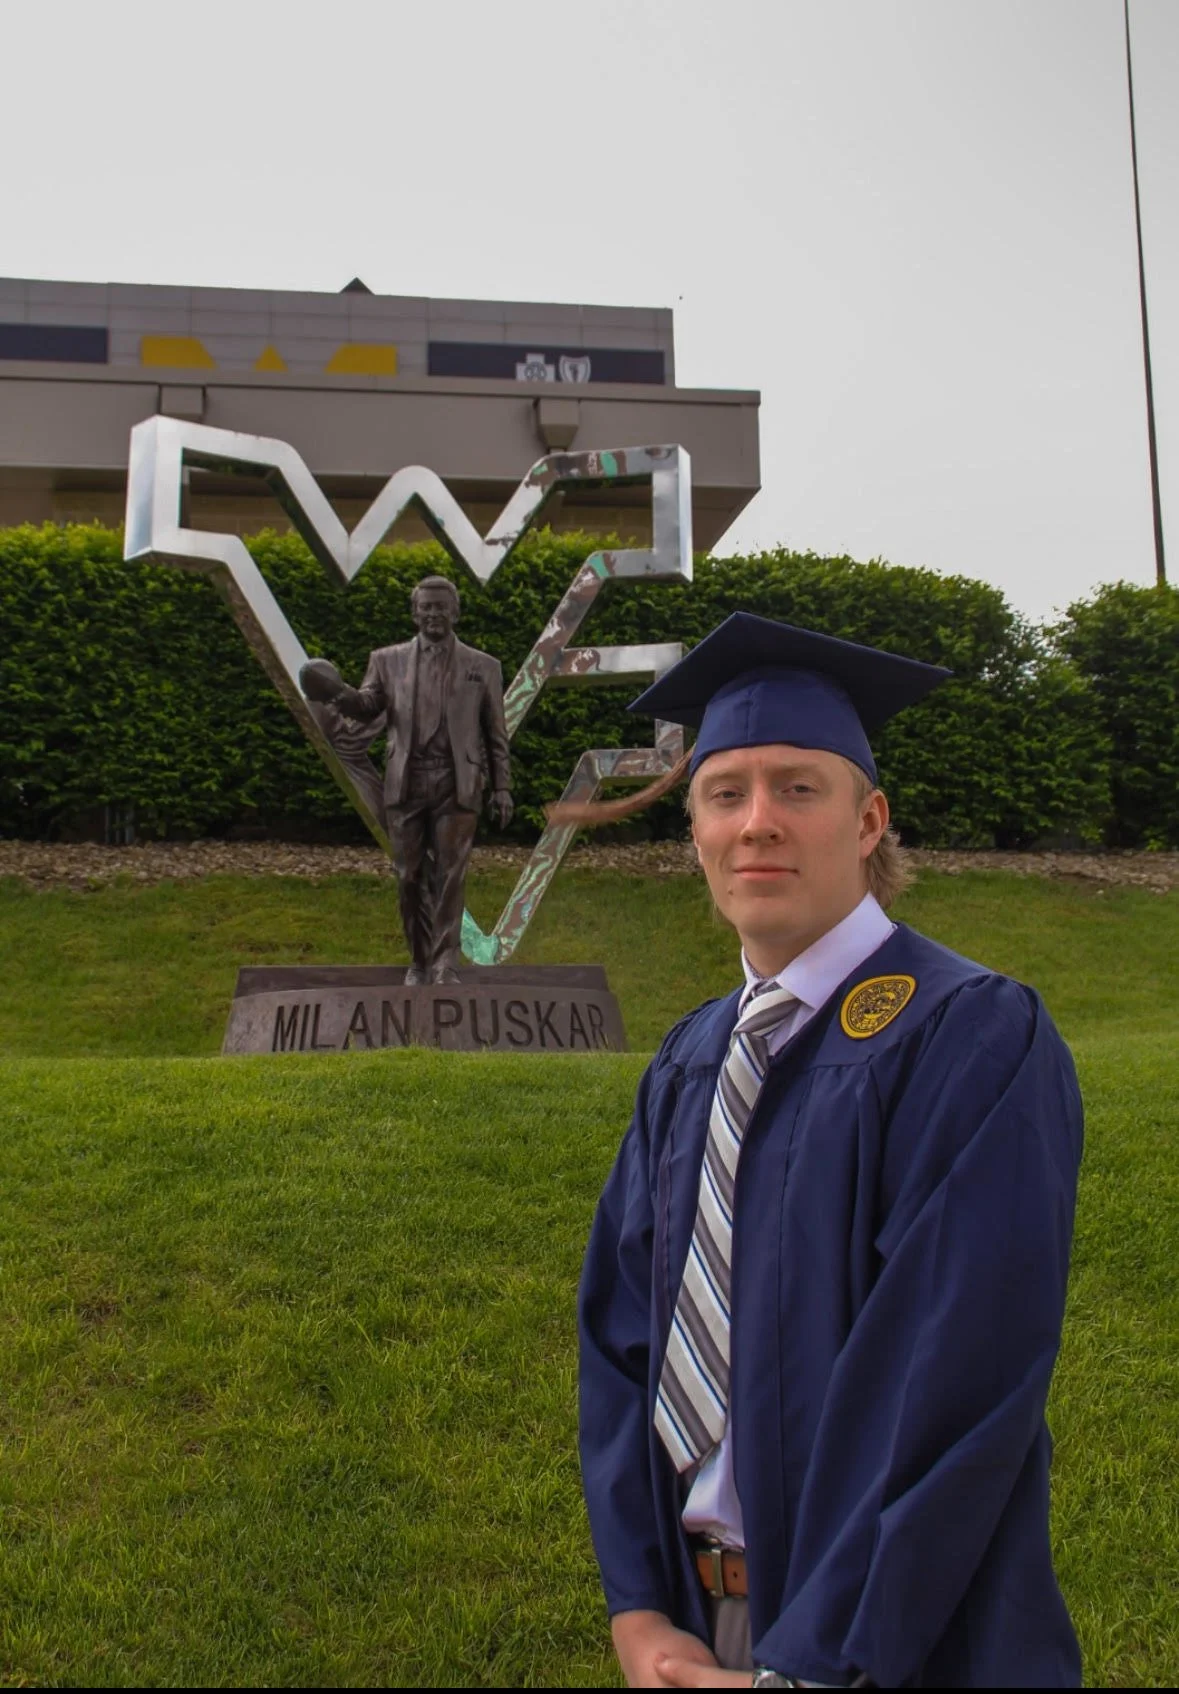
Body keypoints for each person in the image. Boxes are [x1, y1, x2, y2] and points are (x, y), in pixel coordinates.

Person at [574, 612, 1083, 1688]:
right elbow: (622, 1341)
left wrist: (811, 1664)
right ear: (696, 833)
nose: (758, 821)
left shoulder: (968, 1032)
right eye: (726, 792)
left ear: (868, 820)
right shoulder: (689, 1059)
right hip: (700, 1628)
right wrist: (639, 1607)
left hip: (904, 1642)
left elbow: (949, 1383)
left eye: (799, 787)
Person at [300, 575, 512, 984]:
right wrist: (336, 692)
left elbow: (495, 733)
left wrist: (502, 786)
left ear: (455, 612)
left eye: (441, 606)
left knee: (451, 875)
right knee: (409, 877)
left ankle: (446, 963)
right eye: (426, 607)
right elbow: (367, 706)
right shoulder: (386, 660)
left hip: (457, 783)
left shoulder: (483, 666)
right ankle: (418, 960)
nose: (433, 614)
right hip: (406, 781)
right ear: (415, 613)